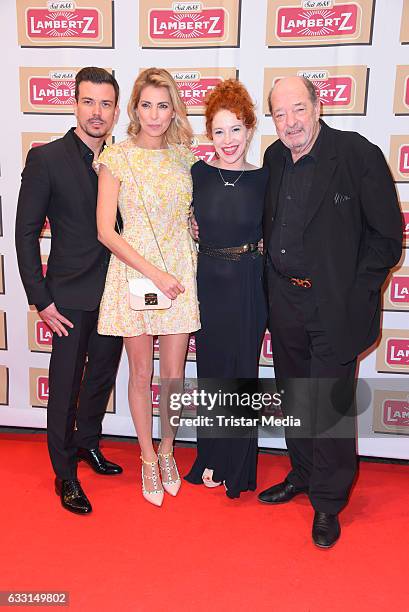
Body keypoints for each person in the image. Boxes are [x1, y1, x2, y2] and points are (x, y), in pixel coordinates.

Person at [259, 76, 402, 547]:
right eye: (279, 114)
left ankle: (327, 501)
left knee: (330, 405)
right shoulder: (275, 158)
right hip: (285, 300)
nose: (290, 122)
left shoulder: (357, 155)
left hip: (335, 304)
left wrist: (356, 294)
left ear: (318, 106)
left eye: (298, 109)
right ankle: (301, 474)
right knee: (296, 396)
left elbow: (386, 237)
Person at [15, 67, 124, 515]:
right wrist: (41, 299)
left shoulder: (122, 160)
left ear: (116, 111)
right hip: (67, 297)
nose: (97, 112)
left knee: (100, 378)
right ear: (74, 103)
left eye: (105, 103)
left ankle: (88, 444)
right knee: (64, 387)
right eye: (89, 102)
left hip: (115, 294)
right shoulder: (47, 159)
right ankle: (65, 473)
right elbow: (24, 234)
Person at [96, 68, 200, 507]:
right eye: (146, 105)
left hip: (179, 274)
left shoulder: (186, 157)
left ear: (173, 107)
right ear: (133, 109)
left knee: (174, 378)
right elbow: (106, 231)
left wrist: (196, 227)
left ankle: (167, 451)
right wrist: (153, 273)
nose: (155, 115)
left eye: (163, 104)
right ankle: (146, 457)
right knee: (142, 374)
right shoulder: (116, 157)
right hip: (136, 274)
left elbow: (192, 214)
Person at [184, 79, 268, 498]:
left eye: (236, 129)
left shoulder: (265, 178)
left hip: (250, 283)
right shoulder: (197, 172)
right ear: (208, 135)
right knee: (212, 374)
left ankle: (238, 467)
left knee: (242, 376)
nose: (228, 139)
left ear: (250, 129)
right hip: (208, 282)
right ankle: (211, 456)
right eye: (219, 131)